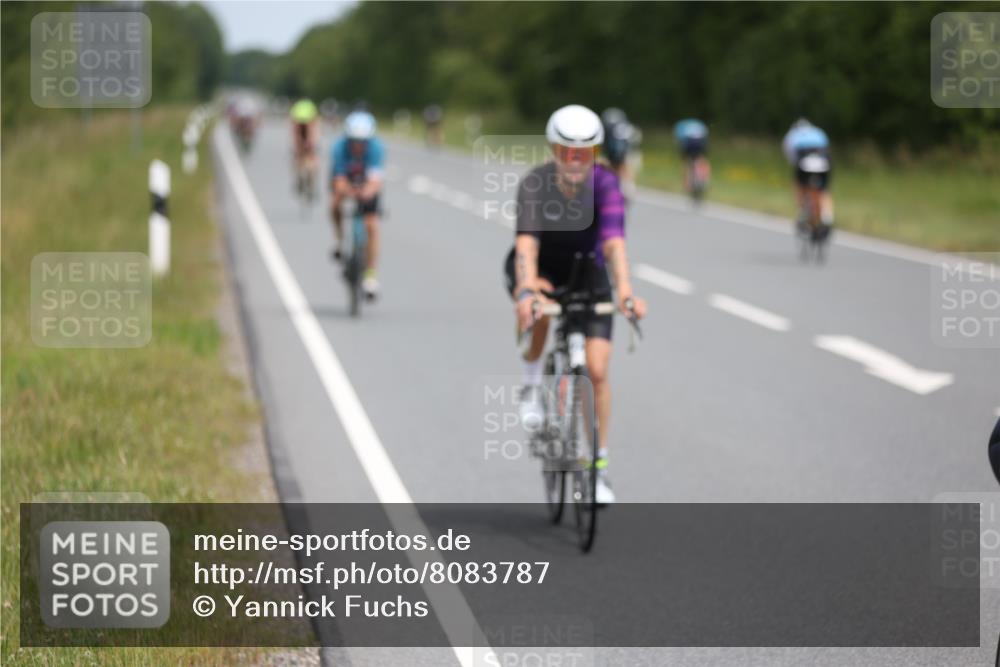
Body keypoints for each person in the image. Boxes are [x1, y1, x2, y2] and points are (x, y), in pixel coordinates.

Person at [504, 104, 647, 505]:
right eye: (566, 151)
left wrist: (625, 291)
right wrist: (528, 288)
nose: (574, 160)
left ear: (595, 154)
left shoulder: (607, 185)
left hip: (589, 273)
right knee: (539, 316)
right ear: (554, 149)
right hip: (544, 268)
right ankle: (531, 386)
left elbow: (614, 243)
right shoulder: (536, 184)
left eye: (583, 152)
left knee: (597, 372)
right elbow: (527, 244)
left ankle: (597, 469)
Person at [329, 110, 386, 299]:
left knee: (372, 225)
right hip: (346, 181)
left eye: (363, 142)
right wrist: (349, 192)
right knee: (334, 204)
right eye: (355, 141)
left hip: (367, 184)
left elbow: (376, 181)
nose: (358, 146)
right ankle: (339, 240)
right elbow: (338, 180)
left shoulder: (376, 149)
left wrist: (366, 192)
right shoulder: (339, 148)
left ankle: (370, 275)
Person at [782, 118, 834, 235]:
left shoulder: (791, 135)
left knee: (799, 185)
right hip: (824, 160)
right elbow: (827, 148)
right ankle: (828, 217)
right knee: (824, 190)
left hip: (804, 161)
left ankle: (803, 212)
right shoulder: (819, 132)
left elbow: (791, 156)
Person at [600, 108, 640, 200]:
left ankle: (619, 190)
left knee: (613, 171)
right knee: (625, 171)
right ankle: (627, 190)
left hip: (615, 154)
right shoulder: (627, 127)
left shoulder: (608, 128)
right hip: (626, 153)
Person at [289, 98, 320, 195]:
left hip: (311, 138)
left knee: (312, 163)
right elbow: (295, 135)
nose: (303, 124)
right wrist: (298, 147)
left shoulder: (314, 123)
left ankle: (311, 183)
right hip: (299, 140)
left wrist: (311, 144)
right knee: (297, 158)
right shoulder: (296, 123)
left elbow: (314, 136)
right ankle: (299, 179)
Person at [673, 118, 710, 196]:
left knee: (686, 162)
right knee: (702, 159)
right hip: (700, 141)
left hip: (688, 142)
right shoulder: (700, 124)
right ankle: (705, 179)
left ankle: (687, 184)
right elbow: (706, 136)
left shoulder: (681, 124)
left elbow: (678, 139)